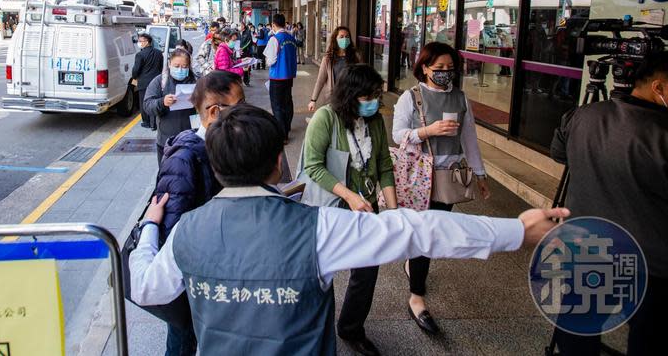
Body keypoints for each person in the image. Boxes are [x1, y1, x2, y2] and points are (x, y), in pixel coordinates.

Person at [130, 104, 570, 355]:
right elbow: (418, 230)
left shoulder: (186, 231)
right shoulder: (318, 228)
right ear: (277, 163)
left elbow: (147, 287)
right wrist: (516, 231)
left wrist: (151, 230)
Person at [550, 50, 668, 356]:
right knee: (649, 337)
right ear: (659, 87)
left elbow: (559, 153)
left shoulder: (583, 115)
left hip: (587, 245)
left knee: (578, 325)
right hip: (651, 262)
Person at [391, 41, 490, 334]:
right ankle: (417, 297)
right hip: (420, 176)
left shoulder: (461, 99)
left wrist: (480, 175)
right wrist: (427, 131)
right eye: (439, 69)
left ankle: (414, 266)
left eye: (450, 69)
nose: (445, 73)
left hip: (449, 179)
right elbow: (398, 135)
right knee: (426, 236)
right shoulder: (412, 98)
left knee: (431, 235)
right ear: (424, 68)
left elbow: (469, 139)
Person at [304, 64, 397, 355]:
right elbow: (313, 166)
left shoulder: (376, 122)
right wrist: (349, 196)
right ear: (349, 94)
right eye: (366, 96)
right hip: (331, 207)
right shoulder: (326, 118)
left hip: (367, 210)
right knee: (322, 272)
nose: (373, 102)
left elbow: (384, 165)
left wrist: (393, 211)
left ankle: (351, 328)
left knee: (367, 272)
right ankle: (314, 329)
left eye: (376, 96)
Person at [152, 70, 245, 356]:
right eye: (239, 105)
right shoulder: (185, 158)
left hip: (217, 268)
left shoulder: (223, 146)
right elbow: (173, 232)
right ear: (215, 111)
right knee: (182, 342)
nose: (245, 112)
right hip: (191, 279)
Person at [143, 49, 197, 166]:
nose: (180, 69)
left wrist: (199, 100)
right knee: (167, 174)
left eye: (184, 66)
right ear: (169, 64)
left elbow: (209, 105)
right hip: (166, 141)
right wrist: (163, 102)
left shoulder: (197, 81)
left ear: (189, 66)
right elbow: (147, 105)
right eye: (177, 66)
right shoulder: (160, 81)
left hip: (191, 139)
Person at [309, 26, 360, 112]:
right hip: (333, 99)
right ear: (335, 39)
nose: (345, 39)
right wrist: (313, 100)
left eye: (347, 37)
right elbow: (320, 80)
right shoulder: (328, 59)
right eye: (341, 37)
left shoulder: (356, 57)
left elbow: (360, 79)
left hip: (351, 98)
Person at [264, 14, 297, 143]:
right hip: (289, 76)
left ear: (273, 25)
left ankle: (282, 135)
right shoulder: (291, 38)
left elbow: (270, 61)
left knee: (277, 105)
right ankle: (287, 127)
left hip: (277, 77)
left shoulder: (274, 39)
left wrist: (267, 61)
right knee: (287, 102)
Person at [132, 33, 164, 130]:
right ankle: (154, 123)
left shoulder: (140, 55)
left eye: (141, 41)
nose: (139, 43)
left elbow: (135, 70)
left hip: (143, 83)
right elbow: (161, 67)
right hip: (156, 81)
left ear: (147, 42)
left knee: (144, 103)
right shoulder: (159, 53)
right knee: (154, 101)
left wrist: (134, 77)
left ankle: (146, 122)